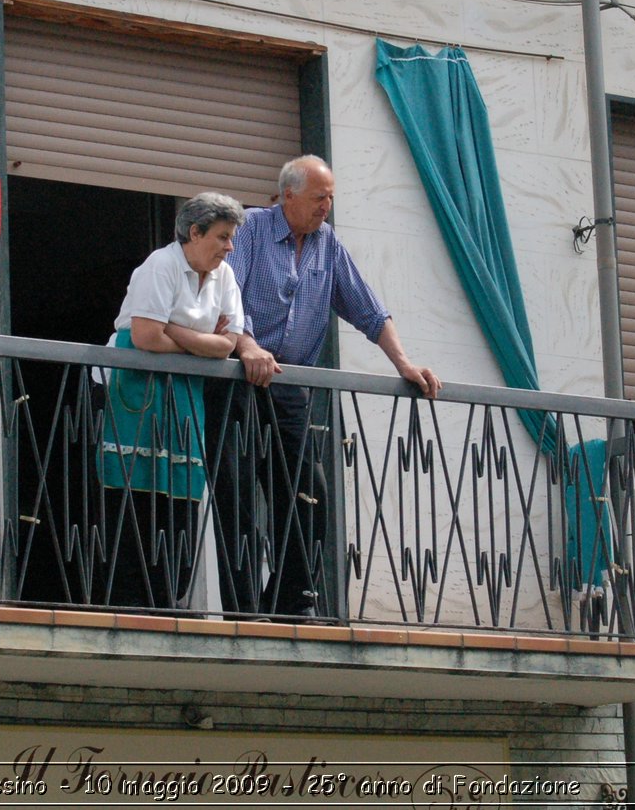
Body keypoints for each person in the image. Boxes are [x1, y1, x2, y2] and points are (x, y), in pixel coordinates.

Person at [209, 155, 441, 618]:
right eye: (319, 197)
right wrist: (247, 346)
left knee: (306, 495)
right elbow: (224, 297)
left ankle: (289, 602)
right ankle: (243, 612)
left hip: (290, 386)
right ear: (289, 195)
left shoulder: (327, 243)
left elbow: (369, 310)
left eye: (331, 197)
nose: (327, 207)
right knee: (235, 500)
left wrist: (404, 363)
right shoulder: (252, 228)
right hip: (237, 379)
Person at [99, 192, 246, 611]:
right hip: (138, 387)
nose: (229, 247)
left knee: (179, 493)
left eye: (231, 238)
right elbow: (144, 338)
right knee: (134, 489)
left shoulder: (225, 277)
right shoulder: (160, 265)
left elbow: (228, 345)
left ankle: (167, 595)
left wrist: (174, 331)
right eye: (222, 237)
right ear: (194, 233)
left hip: (183, 392)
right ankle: (128, 599)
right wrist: (200, 341)